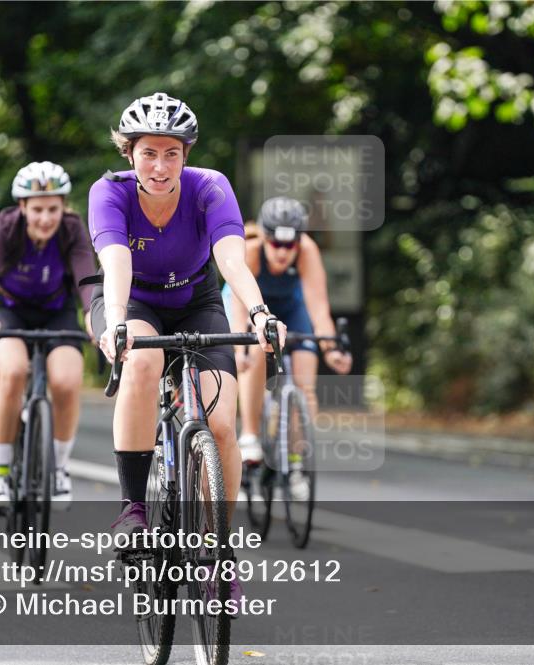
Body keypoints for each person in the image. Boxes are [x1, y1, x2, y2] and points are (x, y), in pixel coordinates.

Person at [87, 93, 286, 589]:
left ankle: (218, 549)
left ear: (186, 155)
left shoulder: (210, 188)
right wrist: (116, 324)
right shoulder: (108, 193)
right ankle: (133, 509)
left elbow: (232, 259)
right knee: (142, 364)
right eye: (149, 152)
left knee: (221, 423)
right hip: (129, 301)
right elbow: (116, 265)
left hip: (196, 300)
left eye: (171, 153)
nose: (160, 165)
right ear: (129, 153)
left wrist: (260, 312)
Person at [0, 161, 95, 511]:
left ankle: (57, 468)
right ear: (22, 207)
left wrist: (92, 315)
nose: (45, 218)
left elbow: (86, 279)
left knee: (68, 381)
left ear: (63, 207)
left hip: (57, 312)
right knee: (12, 372)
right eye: (37, 209)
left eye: (53, 209)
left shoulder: (71, 229)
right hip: (8, 309)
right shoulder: (7, 227)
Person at [222, 197, 353, 499]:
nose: (283, 253)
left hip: (292, 310)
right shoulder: (251, 251)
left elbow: (319, 308)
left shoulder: (307, 250)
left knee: (305, 383)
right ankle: (251, 436)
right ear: (265, 238)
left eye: (290, 245)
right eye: (276, 245)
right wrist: (240, 343)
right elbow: (240, 307)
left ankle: (296, 462)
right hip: (251, 308)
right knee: (255, 352)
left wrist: (332, 348)